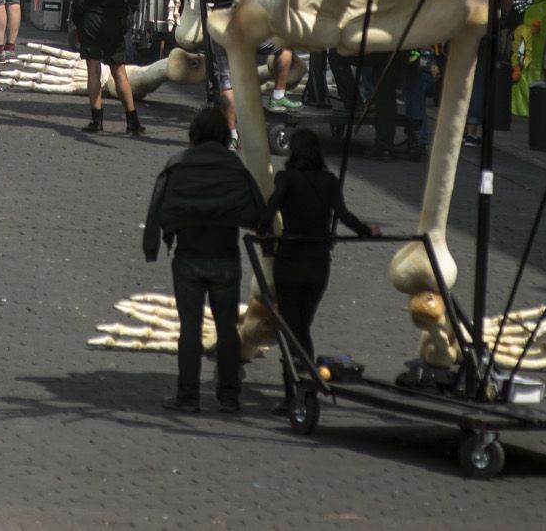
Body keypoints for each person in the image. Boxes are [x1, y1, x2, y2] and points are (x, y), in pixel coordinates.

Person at [142, 105, 266, 413]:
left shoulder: (178, 165)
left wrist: (152, 246)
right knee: (226, 329)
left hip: (189, 257)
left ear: (193, 134)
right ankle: (229, 395)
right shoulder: (235, 168)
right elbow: (256, 215)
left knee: (190, 328)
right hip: (225, 257)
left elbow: (159, 206)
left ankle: (187, 395)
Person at [262, 129, 377, 397]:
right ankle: (303, 386)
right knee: (302, 325)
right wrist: (366, 231)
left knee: (293, 328)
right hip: (318, 263)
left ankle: (298, 390)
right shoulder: (329, 181)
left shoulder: (286, 178)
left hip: (290, 260)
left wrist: (263, 230)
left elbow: (270, 209)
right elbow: (345, 216)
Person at [69, 0, 142, 135]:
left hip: (91, 20)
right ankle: (132, 120)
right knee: (119, 71)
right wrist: (127, 16)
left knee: (93, 70)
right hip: (115, 20)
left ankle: (97, 120)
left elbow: (79, 1)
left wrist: (78, 20)